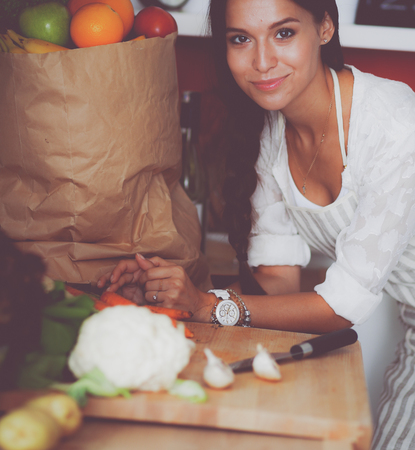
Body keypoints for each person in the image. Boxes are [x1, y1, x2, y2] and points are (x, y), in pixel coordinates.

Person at [97, 1, 415, 448]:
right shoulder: (273, 133)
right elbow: (279, 286)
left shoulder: (395, 123)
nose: (261, 61)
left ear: (324, 27)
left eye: (283, 33)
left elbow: (343, 305)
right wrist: (167, 294)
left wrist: (207, 304)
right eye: (240, 39)